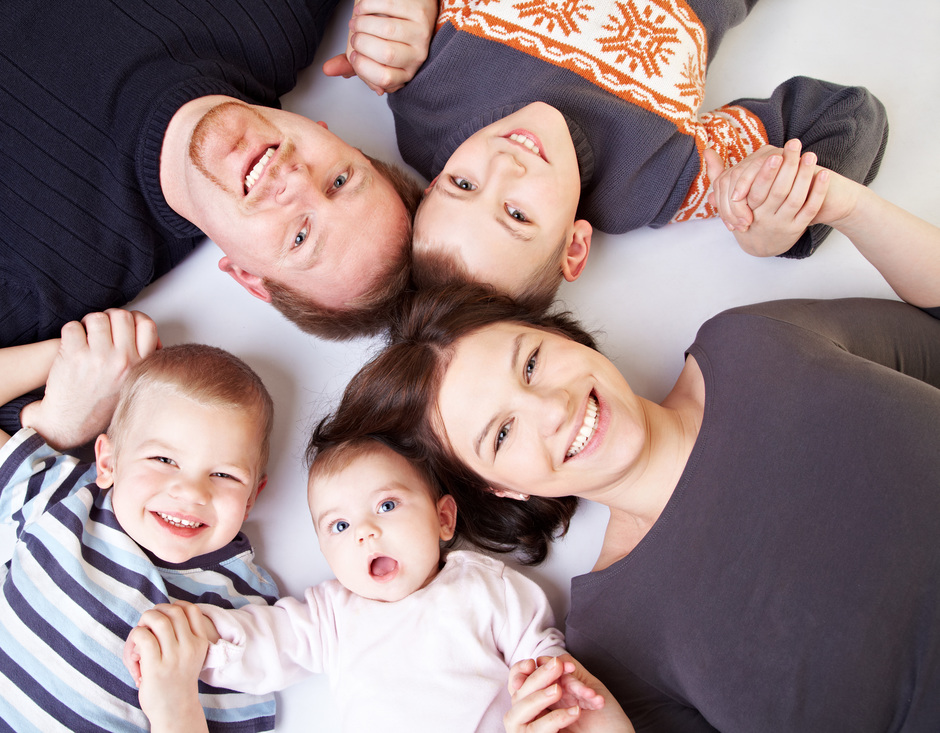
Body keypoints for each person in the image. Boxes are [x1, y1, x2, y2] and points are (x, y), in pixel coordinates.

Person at [313, 158, 940, 730]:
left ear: (564, 336)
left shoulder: (751, 343)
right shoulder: (610, 648)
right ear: (502, 489)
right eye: (502, 434)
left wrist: (846, 204)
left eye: (530, 363)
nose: (551, 408)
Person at [0, 0, 424, 463]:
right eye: (340, 180)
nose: (295, 180)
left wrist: (49, 421)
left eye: (299, 237)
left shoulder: (51, 269)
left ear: (249, 278)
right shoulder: (269, 21)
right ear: (332, 134)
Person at [0, 309, 281, 732]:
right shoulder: (72, 501)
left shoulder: (243, 612)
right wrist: (67, 356)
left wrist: (176, 706)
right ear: (108, 462)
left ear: (250, 499)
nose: (191, 492)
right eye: (163, 459)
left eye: (223, 475)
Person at [376, 0, 888, 307]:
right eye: (517, 214)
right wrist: (783, 218)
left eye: (462, 184)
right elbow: (847, 114)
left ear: (434, 180)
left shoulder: (423, 98)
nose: (503, 167)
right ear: (574, 247)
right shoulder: (651, 183)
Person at [122, 438, 632, 732]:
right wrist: (196, 636)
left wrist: (551, 680)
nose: (365, 532)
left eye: (387, 505)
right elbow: (267, 643)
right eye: (339, 526)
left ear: (443, 519)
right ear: (327, 554)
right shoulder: (332, 614)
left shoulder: (484, 586)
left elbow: (539, 650)